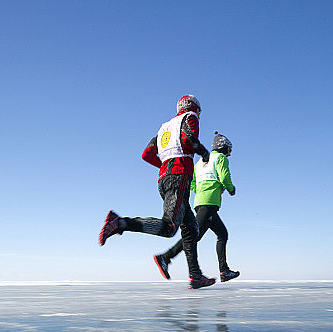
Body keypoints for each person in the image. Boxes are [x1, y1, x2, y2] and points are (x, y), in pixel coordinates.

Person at [98, 95, 215, 289]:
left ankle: (195, 276)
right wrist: (203, 153)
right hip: (179, 176)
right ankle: (119, 223)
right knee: (169, 227)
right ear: (194, 108)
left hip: (165, 177)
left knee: (191, 227)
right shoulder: (190, 117)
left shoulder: (164, 128)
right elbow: (189, 138)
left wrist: (165, 165)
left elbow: (147, 154)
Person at [154, 132, 240, 283]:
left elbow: (192, 182)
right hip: (210, 203)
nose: (230, 154)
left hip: (200, 202)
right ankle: (166, 257)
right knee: (193, 237)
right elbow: (224, 177)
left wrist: (200, 191)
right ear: (224, 148)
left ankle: (224, 270)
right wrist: (231, 189)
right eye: (229, 150)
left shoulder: (200, 162)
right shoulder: (220, 159)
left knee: (221, 234)